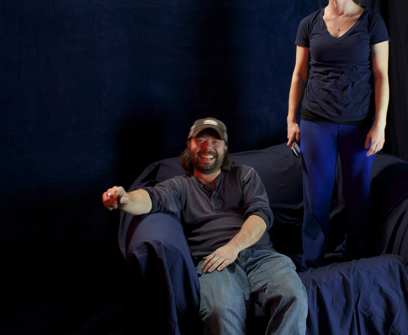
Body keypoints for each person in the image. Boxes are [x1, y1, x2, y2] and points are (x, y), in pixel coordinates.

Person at [103, 117, 307, 335]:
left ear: (225, 148)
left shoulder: (245, 175)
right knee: (220, 311)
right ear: (189, 146)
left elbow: (260, 216)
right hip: (213, 263)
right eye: (200, 140)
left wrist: (232, 248)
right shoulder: (178, 186)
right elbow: (149, 199)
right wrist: (124, 199)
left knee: (293, 297)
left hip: (261, 256)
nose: (207, 147)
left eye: (215, 141)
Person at [286, 0, 390, 270]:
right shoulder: (309, 24)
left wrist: (380, 124)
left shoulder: (372, 23)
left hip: (359, 124)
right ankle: (313, 268)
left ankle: (353, 264)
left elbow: (382, 76)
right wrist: (291, 120)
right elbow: (299, 74)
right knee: (315, 202)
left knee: (358, 200)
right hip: (316, 122)